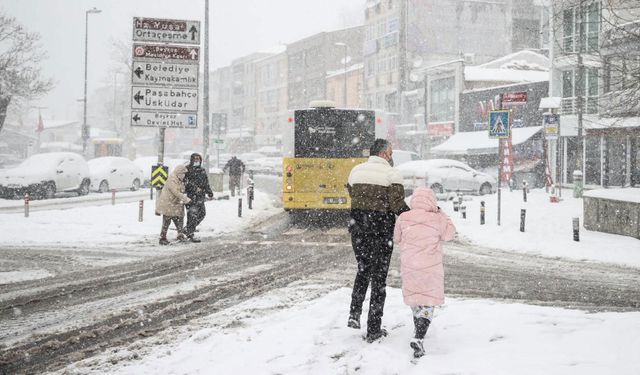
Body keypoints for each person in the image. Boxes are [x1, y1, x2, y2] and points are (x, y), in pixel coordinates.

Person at [346, 138, 410, 343]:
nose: (392, 157)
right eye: (390, 153)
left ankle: (354, 314)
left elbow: (352, 192)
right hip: (381, 231)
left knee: (363, 268)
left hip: (358, 228)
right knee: (379, 279)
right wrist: (417, 216)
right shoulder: (392, 174)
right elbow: (398, 205)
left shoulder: (356, 171)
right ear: (383, 154)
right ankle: (373, 328)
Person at [393, 186, 456, 358]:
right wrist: (441, 213)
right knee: (428, 303)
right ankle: (419, 337)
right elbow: (450, 234)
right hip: (431, 269)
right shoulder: (437, 218)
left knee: (416, 300)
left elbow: (396, 238)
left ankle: (417, 329)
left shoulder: (404, 217)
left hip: (410, 267)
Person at [157, 164, 191, 245]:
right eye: (183, 173)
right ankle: (163, 238)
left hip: (175, 203)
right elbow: (176, 192)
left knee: (179, 219)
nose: (184, 175)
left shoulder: (178, 179)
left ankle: (180, 235)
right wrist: (186, 199)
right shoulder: (172, 180)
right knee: (167, 221)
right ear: (178, 173)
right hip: (168, 203)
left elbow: (182, 189)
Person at [184, 153, 213, 243]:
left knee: (202, 214)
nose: (197, 160)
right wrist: (194, 188)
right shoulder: (187, 169)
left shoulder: (202, 170)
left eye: (198, 159)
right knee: (192, 215)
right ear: (191, 159)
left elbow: (205, 182)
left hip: (200, 197)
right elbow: (185, 182)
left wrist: (209, 192)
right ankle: (190, 234)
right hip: (191, 196)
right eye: (195, 159)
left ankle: (188, 229)